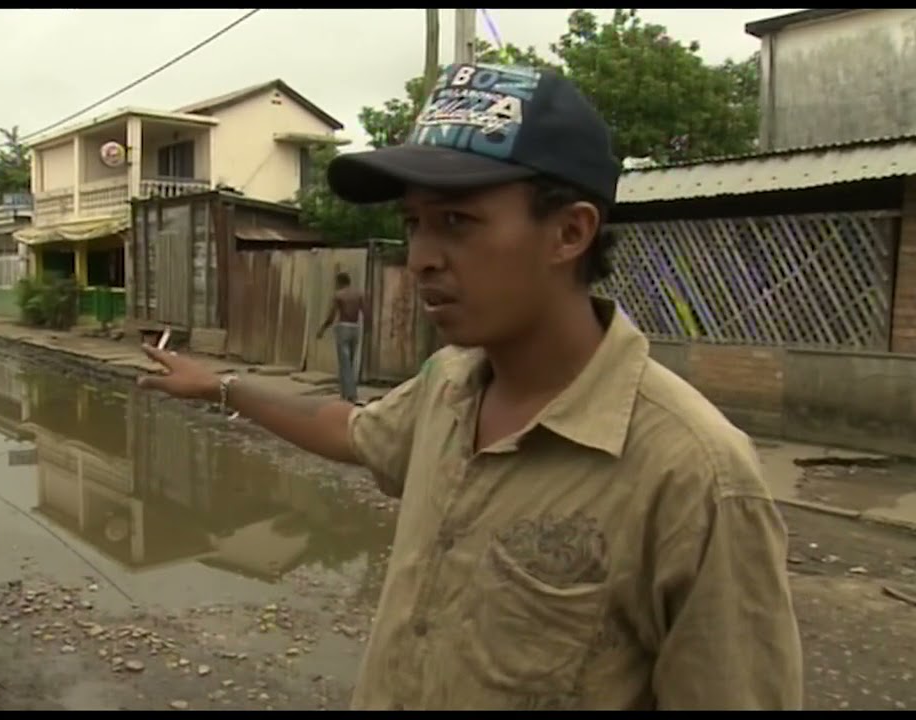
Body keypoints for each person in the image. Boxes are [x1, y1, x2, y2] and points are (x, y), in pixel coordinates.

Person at [136, 63, 802, 710]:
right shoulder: (450, 385)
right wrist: (222, 388)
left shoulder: (696, 476)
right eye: (413, 224)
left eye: (456, 222)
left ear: (570, 232)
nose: (421, 257)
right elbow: (352, 430)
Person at [315, 272, 368, 403]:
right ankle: (345, 393)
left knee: (345, 364)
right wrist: (367, 329)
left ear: (340, 282)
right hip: (355, 328)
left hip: (343, 328)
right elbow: (366, 312)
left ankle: (350, 394)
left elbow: (332, 315)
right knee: (350, 362)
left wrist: (322, 329)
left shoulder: (338, 295)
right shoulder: (359, 294)